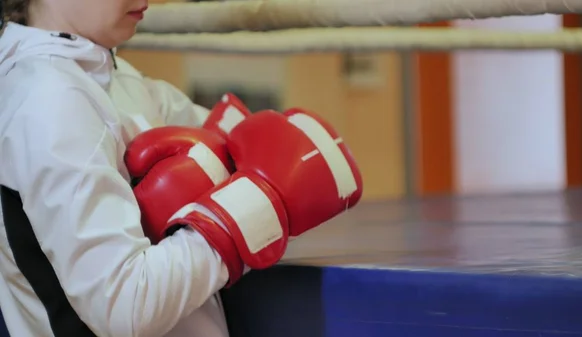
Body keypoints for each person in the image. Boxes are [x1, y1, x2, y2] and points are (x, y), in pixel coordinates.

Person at [0, 0, 363, 336]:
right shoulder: (50, 101)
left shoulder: (113, 76)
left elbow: (241, 149)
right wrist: (249, 211)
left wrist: (271, 167)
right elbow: (123, 304)